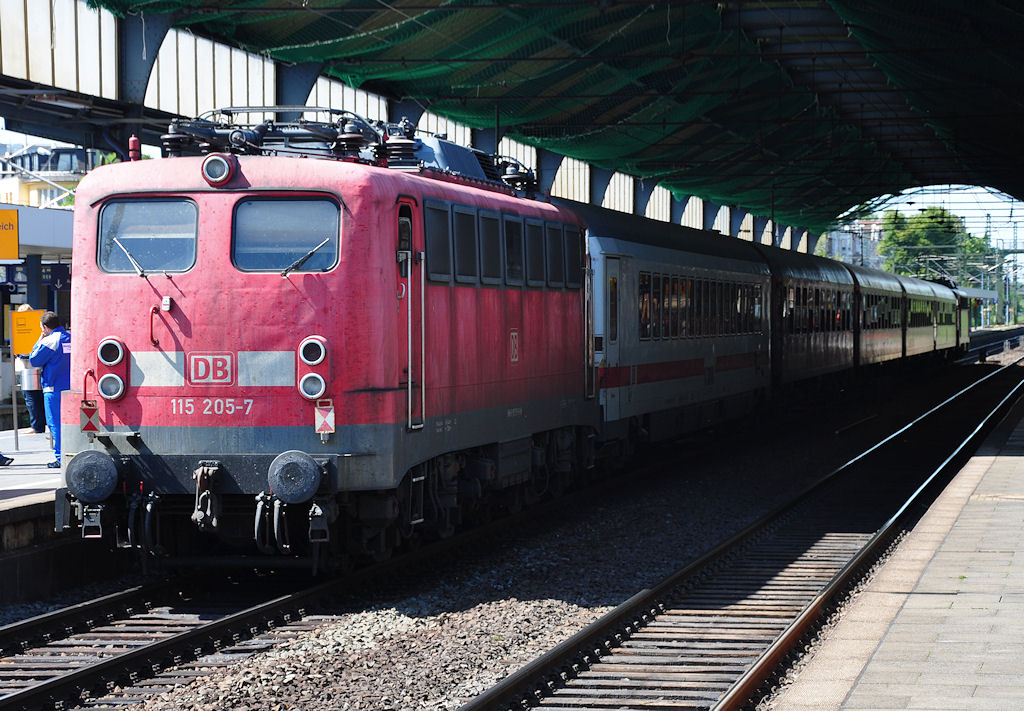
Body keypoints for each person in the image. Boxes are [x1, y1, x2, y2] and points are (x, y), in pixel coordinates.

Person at [29, 312, 71, 468]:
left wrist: (40, 338)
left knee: (55, 423)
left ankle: (60, 457)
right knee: (73, 423)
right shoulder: (72, 338)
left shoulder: (50, 340)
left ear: (45, 327)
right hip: (74, 388)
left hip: (53, 389)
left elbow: (34, 359)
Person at [15, 304, 46, 434]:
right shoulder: (38, 329)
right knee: (37, 397)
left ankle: (36, 426)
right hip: (35, 366)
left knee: (31, 397)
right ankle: (40, 424)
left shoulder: (26, 331)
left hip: (29, 367)